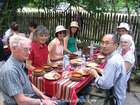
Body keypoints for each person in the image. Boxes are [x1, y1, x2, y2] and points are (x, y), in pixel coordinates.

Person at [0, 35, 58, 105]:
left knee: (58, 97)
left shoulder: (19, 63)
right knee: (63, 102)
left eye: (29, 49)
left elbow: (28, 84)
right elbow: (21, 101)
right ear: (14, 48)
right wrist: (43, 102)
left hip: (32, 97)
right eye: (25, 49)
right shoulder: (10, 70)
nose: (29, 53)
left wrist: (42, 96)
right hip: (25, 102)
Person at [89, 34, 127, 105]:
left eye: (107, 43)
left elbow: (105, 85)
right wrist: (98, 69)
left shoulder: (113, 61)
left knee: (79, 98)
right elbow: (111, 75)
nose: (104, 46)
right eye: (103, 42)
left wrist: (95, 74)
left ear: (115, 45)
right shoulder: (117, 56)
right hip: (119, 96)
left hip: (112, 99)